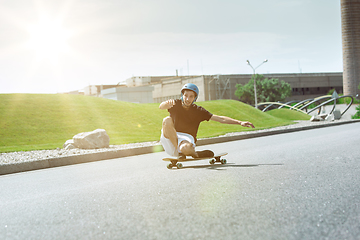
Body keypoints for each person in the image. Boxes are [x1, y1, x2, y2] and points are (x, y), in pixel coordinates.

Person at [159, 83, 255, 158]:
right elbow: (161, 107)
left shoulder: (199, 111)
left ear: (195, 98)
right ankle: (179, 152)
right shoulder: (175, 104)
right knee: (166, 119)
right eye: (186, 95)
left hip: (185, 139)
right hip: (171, 137)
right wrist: (166, 103)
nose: (188, 99)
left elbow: (220, 119)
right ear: (182, 95)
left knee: (185, 148)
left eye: (191, 96)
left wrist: (240, 122)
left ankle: (193, 153)